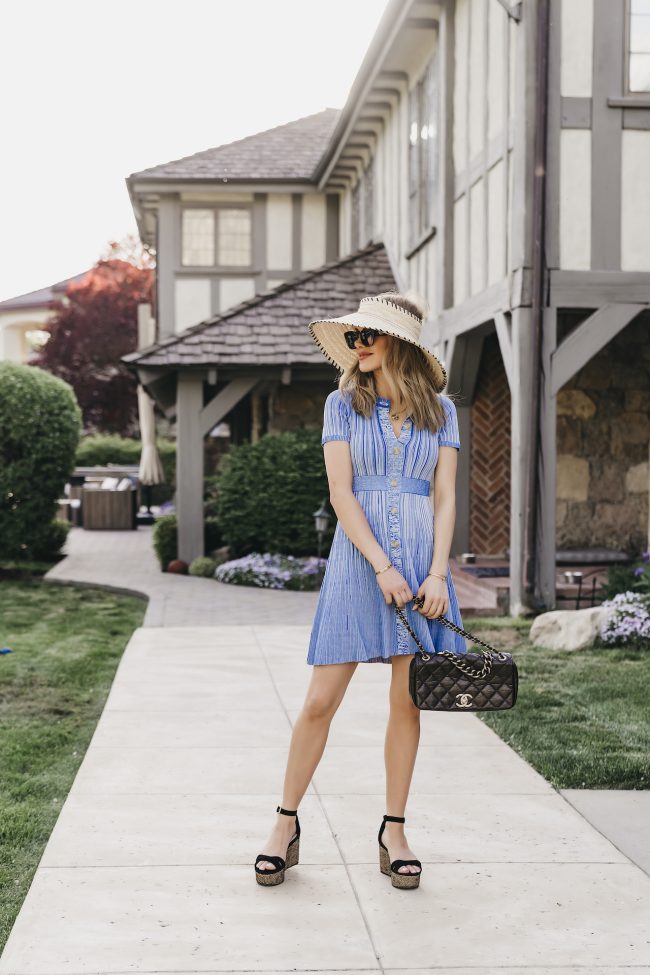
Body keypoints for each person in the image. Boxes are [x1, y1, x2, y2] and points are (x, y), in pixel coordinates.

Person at [254, 289, 466, 889]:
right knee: (321, 701)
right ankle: (284, 825)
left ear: (399, 343)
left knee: (407, 702)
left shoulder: (442, 412)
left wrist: (435, 573)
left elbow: (445, 495)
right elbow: (342, 493)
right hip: (358, 564)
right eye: (353, 337)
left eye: (368, 335)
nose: (359, 345)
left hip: (423, 565)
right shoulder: (342, 404)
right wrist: (381, 563)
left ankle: (393, 830)